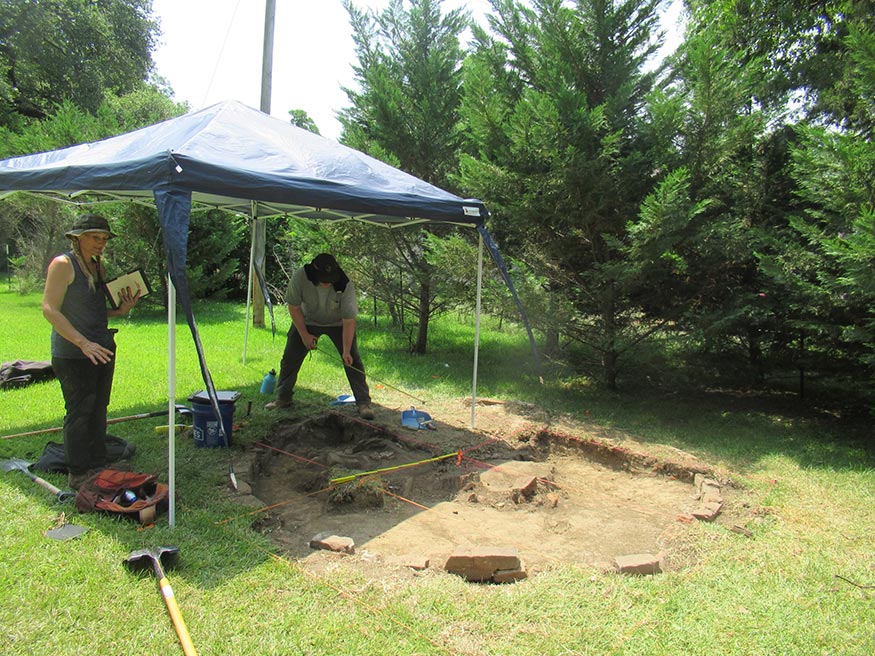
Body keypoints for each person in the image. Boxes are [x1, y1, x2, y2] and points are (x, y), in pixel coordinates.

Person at [42, 214, 141, 489]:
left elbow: (93, 311)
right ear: (78, 237)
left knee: (99, 408)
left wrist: (120, 311)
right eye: (96, 238)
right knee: (79, 411)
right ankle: (79, 473)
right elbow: (49, 309)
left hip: (102, 347)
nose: (101, 244)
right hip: (74, 352)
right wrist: (82, 343)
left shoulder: (97, 266)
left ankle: (98, 464)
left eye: (104, 239)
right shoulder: (63, 264)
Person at [266, 253, 374, 420]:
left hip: (338, 323)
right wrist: (304, 335)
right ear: (314, 271)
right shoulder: (301, 277)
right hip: (306, 320)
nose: (326, 283)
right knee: (289, 359)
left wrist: (346, 351)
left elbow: (349, 320)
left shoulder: (345, 284)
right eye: (323, 279)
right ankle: (283, 398)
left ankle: (363, 403)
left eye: (329, 279)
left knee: (353, 360)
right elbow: (294, 307)